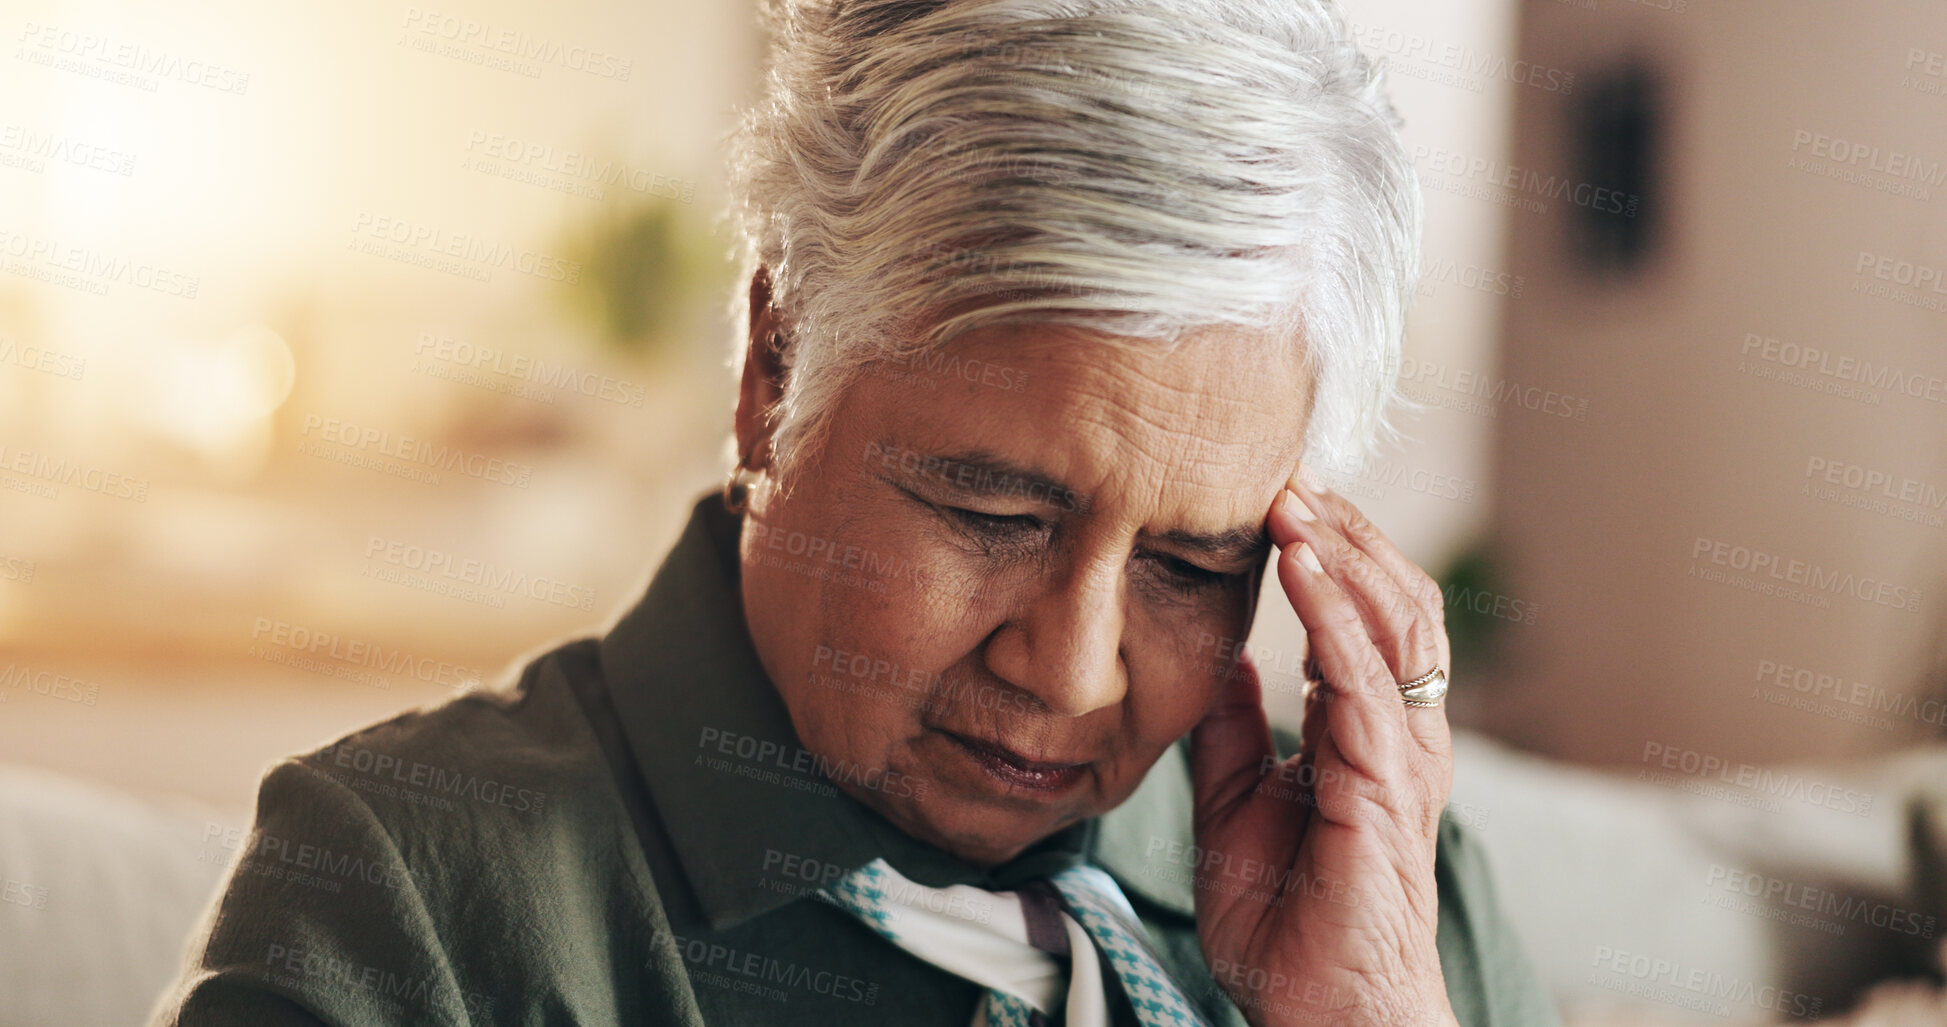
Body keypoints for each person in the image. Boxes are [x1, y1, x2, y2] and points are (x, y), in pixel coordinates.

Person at [150, 0, 1560, 1024]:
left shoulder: (1393, 890)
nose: (1069, 672)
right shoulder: (405, 897)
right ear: (775, 365)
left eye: (1195, 565)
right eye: (992, 512)